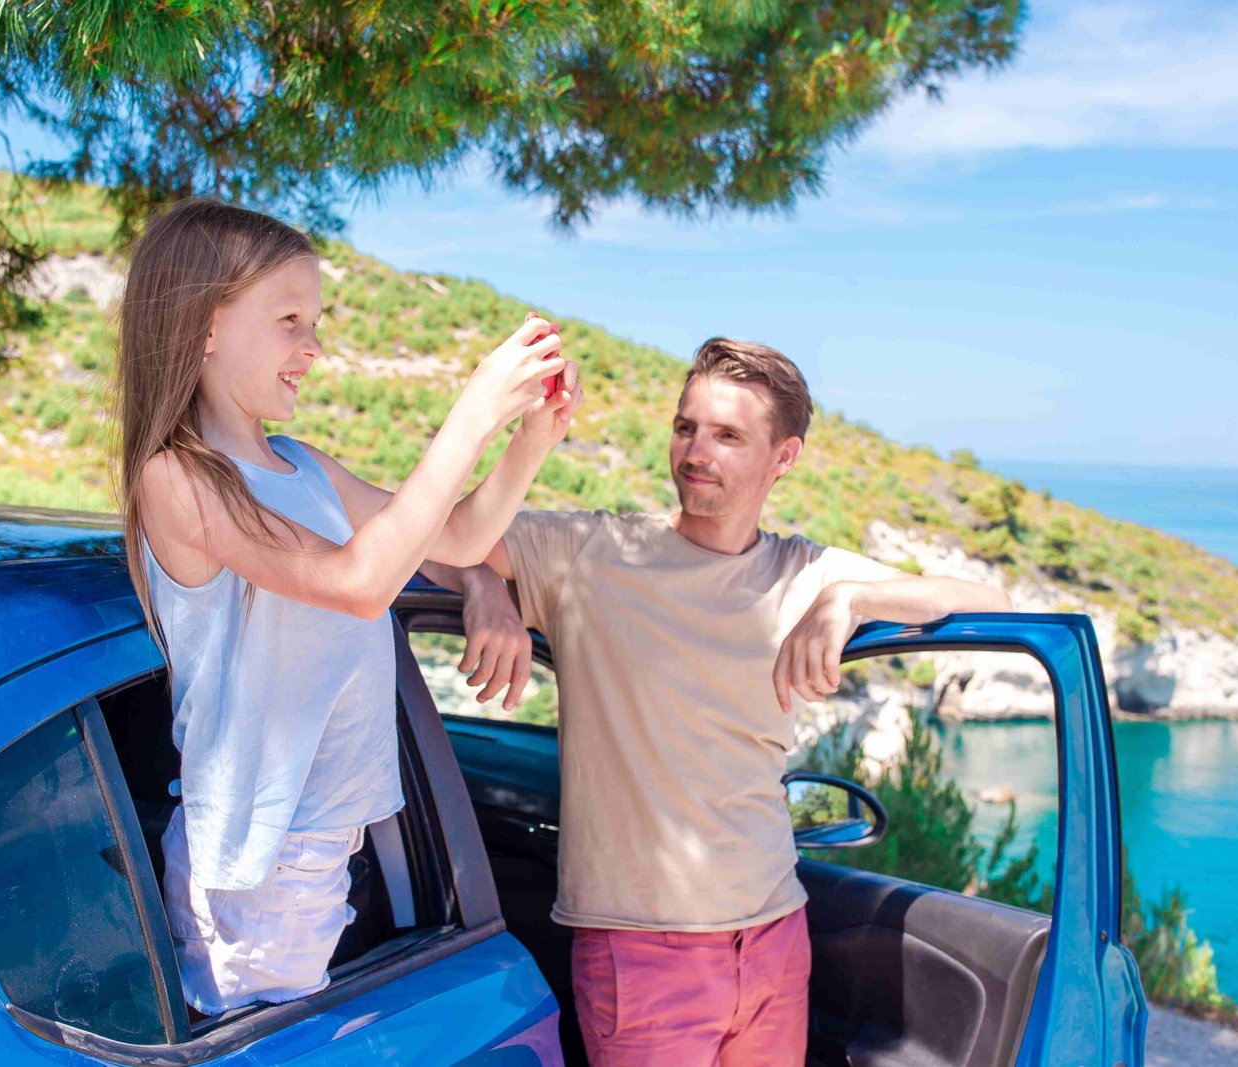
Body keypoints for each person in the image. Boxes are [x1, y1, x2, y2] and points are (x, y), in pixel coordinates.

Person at [465, 337, 1012, 1064]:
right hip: (639, 950)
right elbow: (436, 539)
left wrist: (855, 597)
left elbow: (990, 600)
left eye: (728, 435)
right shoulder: (590, 553)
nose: (697, 451)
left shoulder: (806, 572)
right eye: (687, 426)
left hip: (775, 937)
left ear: (782, 457)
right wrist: (484, 587)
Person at [114, 198, 583, 1014]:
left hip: (313, 850)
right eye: (289, 319)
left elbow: (460, 535)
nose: (314, 347)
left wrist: (529, 438)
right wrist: (470, 414)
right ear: (205, 325)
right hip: (254, 866)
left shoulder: (299, 464)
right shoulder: (178, 477)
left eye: (316, 320)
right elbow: (361, 581)